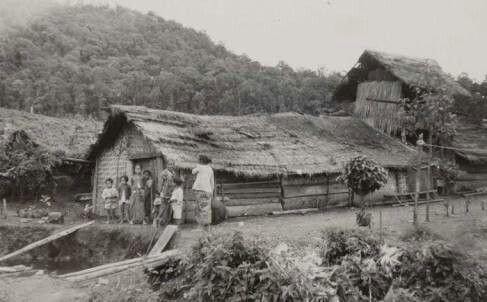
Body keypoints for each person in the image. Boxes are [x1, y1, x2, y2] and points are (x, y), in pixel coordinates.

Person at [192, 155, 214, 227]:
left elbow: (193, 172)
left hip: (199, 190)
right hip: (208, 191)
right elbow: (212, 182)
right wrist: (212, 192)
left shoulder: (199, 167)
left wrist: (198, 165)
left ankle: (200, 225)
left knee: (199, 208)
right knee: (206, 209)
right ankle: (207, 225)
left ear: (201, 161)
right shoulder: (210, 169)